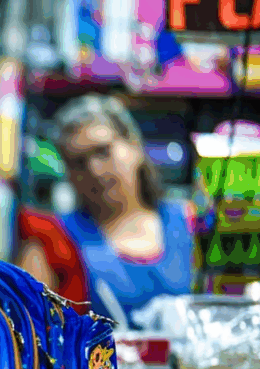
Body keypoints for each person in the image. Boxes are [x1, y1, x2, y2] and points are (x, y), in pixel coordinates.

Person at [17, 95, 195, 326]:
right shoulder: (53, 241)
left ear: (134, 146)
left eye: (103, 151)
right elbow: (28, 326)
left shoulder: (191, 222)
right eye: (78, 162)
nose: (95, 170)